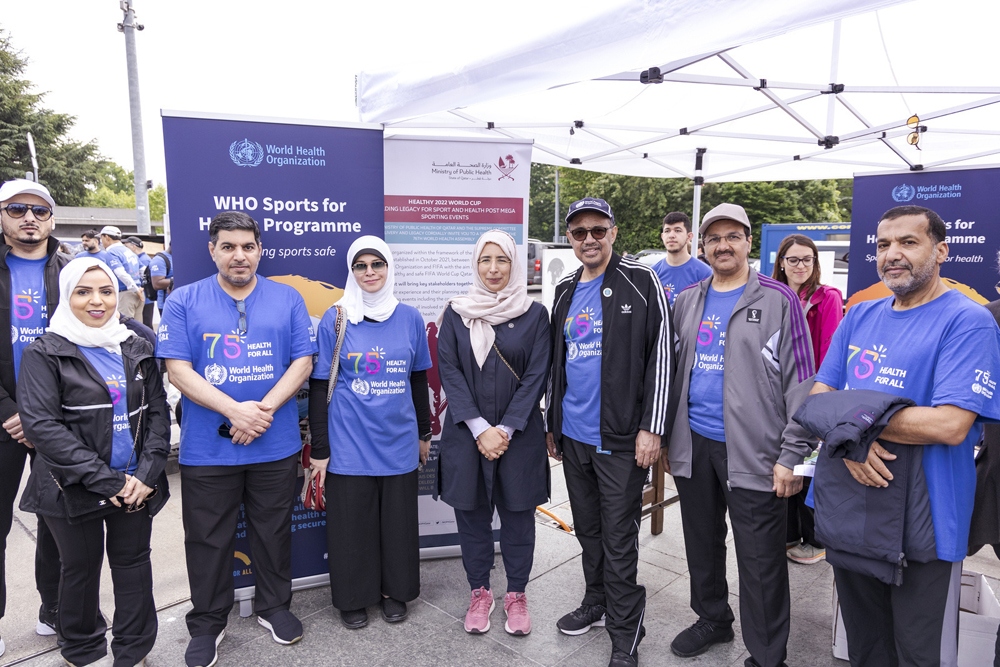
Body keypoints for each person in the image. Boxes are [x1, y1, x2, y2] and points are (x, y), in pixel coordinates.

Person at [808, 205, 1000, 666]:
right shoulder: (859, 315)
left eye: (908, 242)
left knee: (917, 653)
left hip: (926, 518)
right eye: (882, 244)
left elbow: (949, 425)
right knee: (865, 647)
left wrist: (851, 425)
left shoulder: (968, 321)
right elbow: (816, 398)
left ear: (941, 251)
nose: (892, 254)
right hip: (850, 507)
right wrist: (852, 441)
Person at [157, 212, 316, 667]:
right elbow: (177, 370)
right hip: (208, 449)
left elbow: (303, 362)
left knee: (273, 530)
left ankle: (274, 606)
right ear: (213, 250)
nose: (239, 256)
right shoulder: (184, 300)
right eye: (228, 247)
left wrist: (259, 412)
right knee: (207, 538)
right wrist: (234, 411)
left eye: (248, 246)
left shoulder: (287, 298)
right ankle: (208, 622)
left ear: (260, 249)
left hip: (274, 443)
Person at [666, 203, 815, 667]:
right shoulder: (687, 299)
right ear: (702, 246)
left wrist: (793, 454)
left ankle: (767, 655)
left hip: (755, 451)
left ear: (749, 242)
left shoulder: (777, 299)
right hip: (695, 444)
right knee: (702, 543)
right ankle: (712, 618)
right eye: (714, 238)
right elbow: (672, 372)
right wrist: (668, 438)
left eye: (733, 236)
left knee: (760, 558)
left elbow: (801, 381)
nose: (723, 245)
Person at [17, 258, 170, 667]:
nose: (97, 301)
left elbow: (158, 414)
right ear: (66, 297)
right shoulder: (44, 352)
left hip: (135, 483)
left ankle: (133, 650)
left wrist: (146, 474)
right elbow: (43, 427)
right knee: (80, 569)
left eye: (105, 291)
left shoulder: (136, 345)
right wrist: (109, 481)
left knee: (133, 565)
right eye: (83, 292)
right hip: (72, 486)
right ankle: (83, 650)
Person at [546, 198, 672, 667]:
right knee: (589, 530)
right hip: (575, 436)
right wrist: (552, 424)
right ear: (570, 239)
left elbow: (662, 356)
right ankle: (596, 602)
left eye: (598, 230)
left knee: (619, 538)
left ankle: (625, 631)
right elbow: (556, 363)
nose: (589, 239)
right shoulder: (563, 289)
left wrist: (652, 428)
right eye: (579, 232)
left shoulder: (641, 280)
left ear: (613, 232)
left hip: (621, 438)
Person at [308, 236, 431, 630]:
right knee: (352, 526)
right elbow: (318, 386)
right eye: (360, 266)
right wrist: (320, 448)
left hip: (399, 440)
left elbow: (418, 380)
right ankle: (353, 597)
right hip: (349, 442)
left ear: (389, 267)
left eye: (377, 264)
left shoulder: (410, 317)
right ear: (352, 272)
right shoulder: (336, 318)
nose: (369, 272)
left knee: (398, 525)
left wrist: (424, 433)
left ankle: (395, 592)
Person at [436, 230, 551, 636]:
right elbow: (449, 372)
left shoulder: (535, 314)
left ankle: (516, 594)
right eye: (485, 260)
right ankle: (480, 591)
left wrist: (503, 429)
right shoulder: (456, 313)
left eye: (502, 259)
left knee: (519, 518)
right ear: (475, 264)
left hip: (518, 435)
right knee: (472, 518)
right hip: (467, 434)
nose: (493, 268)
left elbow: (537, 375)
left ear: (514, 264)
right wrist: (480, 428)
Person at [0, 179, 66, 656]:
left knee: (60, 523)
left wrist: (44, 415)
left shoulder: (72, 271)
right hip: (4, 419)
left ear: (51, 219)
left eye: (39, 210)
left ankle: (57, 610)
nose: (29, 217)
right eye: (17, 208)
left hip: (59, 420)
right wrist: (10, 411)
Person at [771, 233, 843, 565]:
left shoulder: (827, 298)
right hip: (777, 393)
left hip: (812, 392)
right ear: (782, 262)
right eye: (793, 259)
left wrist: (819, 397)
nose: (800, 265)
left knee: (808, 464)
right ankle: (787, 535)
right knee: (783, 460)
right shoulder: (773, 295)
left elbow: (829, 350)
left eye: (807, 259)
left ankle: (815, 541)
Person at [651, 212, 712, 307]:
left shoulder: (704, 273)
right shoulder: (653, 273)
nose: (671, 235)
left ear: (689, 237)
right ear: (662, 236)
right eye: (667, 231)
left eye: (677, 230)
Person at [99, 226, 144, 320]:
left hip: (125, 294)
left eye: (101, 237)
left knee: (125, 325)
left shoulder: (111, 252)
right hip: (138, 292)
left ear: (107, 237)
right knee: (137, 326)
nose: (101, 241)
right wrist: (140, 288)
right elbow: (143, 270)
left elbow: (120, 273)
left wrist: (135, 289)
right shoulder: (128, 250)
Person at [123, 236, 155, 329]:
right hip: (143, 296)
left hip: (145, 297)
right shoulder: (142, 258)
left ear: (134, 246)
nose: (125, 249)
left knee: (146, 325)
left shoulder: (143, 259)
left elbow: (146, 279)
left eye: (126, 246)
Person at [149, 243, 173, 314]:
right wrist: (181, 279)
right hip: (167, 305)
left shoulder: (180, 257)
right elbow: (157, 284)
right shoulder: (159, 259)